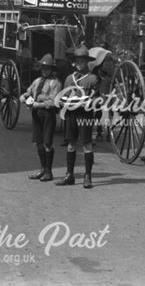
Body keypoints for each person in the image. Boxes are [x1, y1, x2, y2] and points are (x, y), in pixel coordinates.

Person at [55, 46, 100, 188]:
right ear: (74, 62)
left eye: (82, 61)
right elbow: (64, 96)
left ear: (87, 62)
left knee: (87, 144)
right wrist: (63, 102)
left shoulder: (93, 79)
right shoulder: (69, 78)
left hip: (84, 114)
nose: (80, 63)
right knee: (70, 143)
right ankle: (69, 175)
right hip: (71, 114)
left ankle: (88, 176)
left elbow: (97, 99)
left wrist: (88, 103)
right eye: (77, 61)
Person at [23, 54, 62, 182]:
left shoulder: (55, 83)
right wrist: (24, 97)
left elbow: (53, 102)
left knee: (47, 143)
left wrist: (38, 103)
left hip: (47, 114)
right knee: (38, 142)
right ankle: (42, 168)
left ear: (51, 69)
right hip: (36, 114)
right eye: (43, 68)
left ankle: (48, 171)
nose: (45, 70)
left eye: (48, 68)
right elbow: (29, 92)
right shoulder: (37, 81)